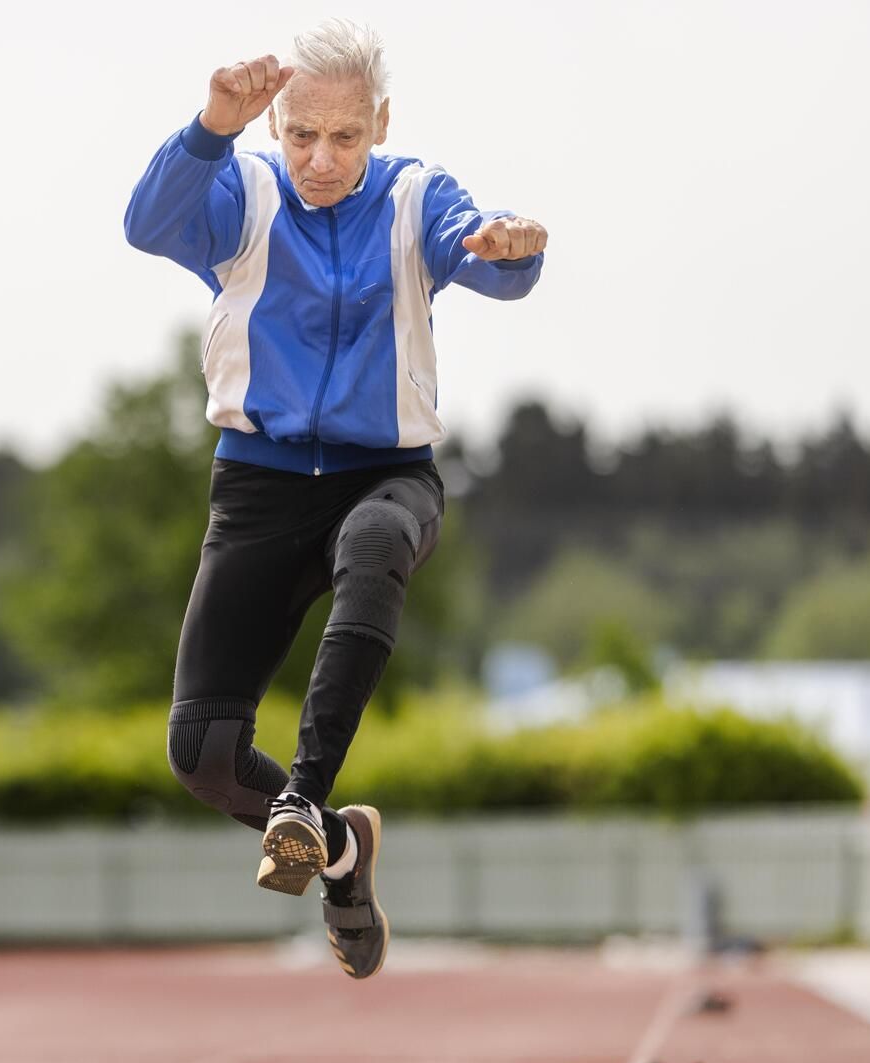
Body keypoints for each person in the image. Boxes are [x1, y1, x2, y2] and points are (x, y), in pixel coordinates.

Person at [124, 19, 547, 980]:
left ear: (380, 124)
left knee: (372, 547)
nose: (320, 159)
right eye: (301, 133)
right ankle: (339, 849)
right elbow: (147, 224)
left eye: (346, 137)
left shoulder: (412, 196)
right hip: (260, 485)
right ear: (277, 124)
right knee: (202, 753)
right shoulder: (244, 192)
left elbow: (484, 256)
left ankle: (300, 801)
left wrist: (507, 248)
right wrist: (210, 127)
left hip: (384, 475)